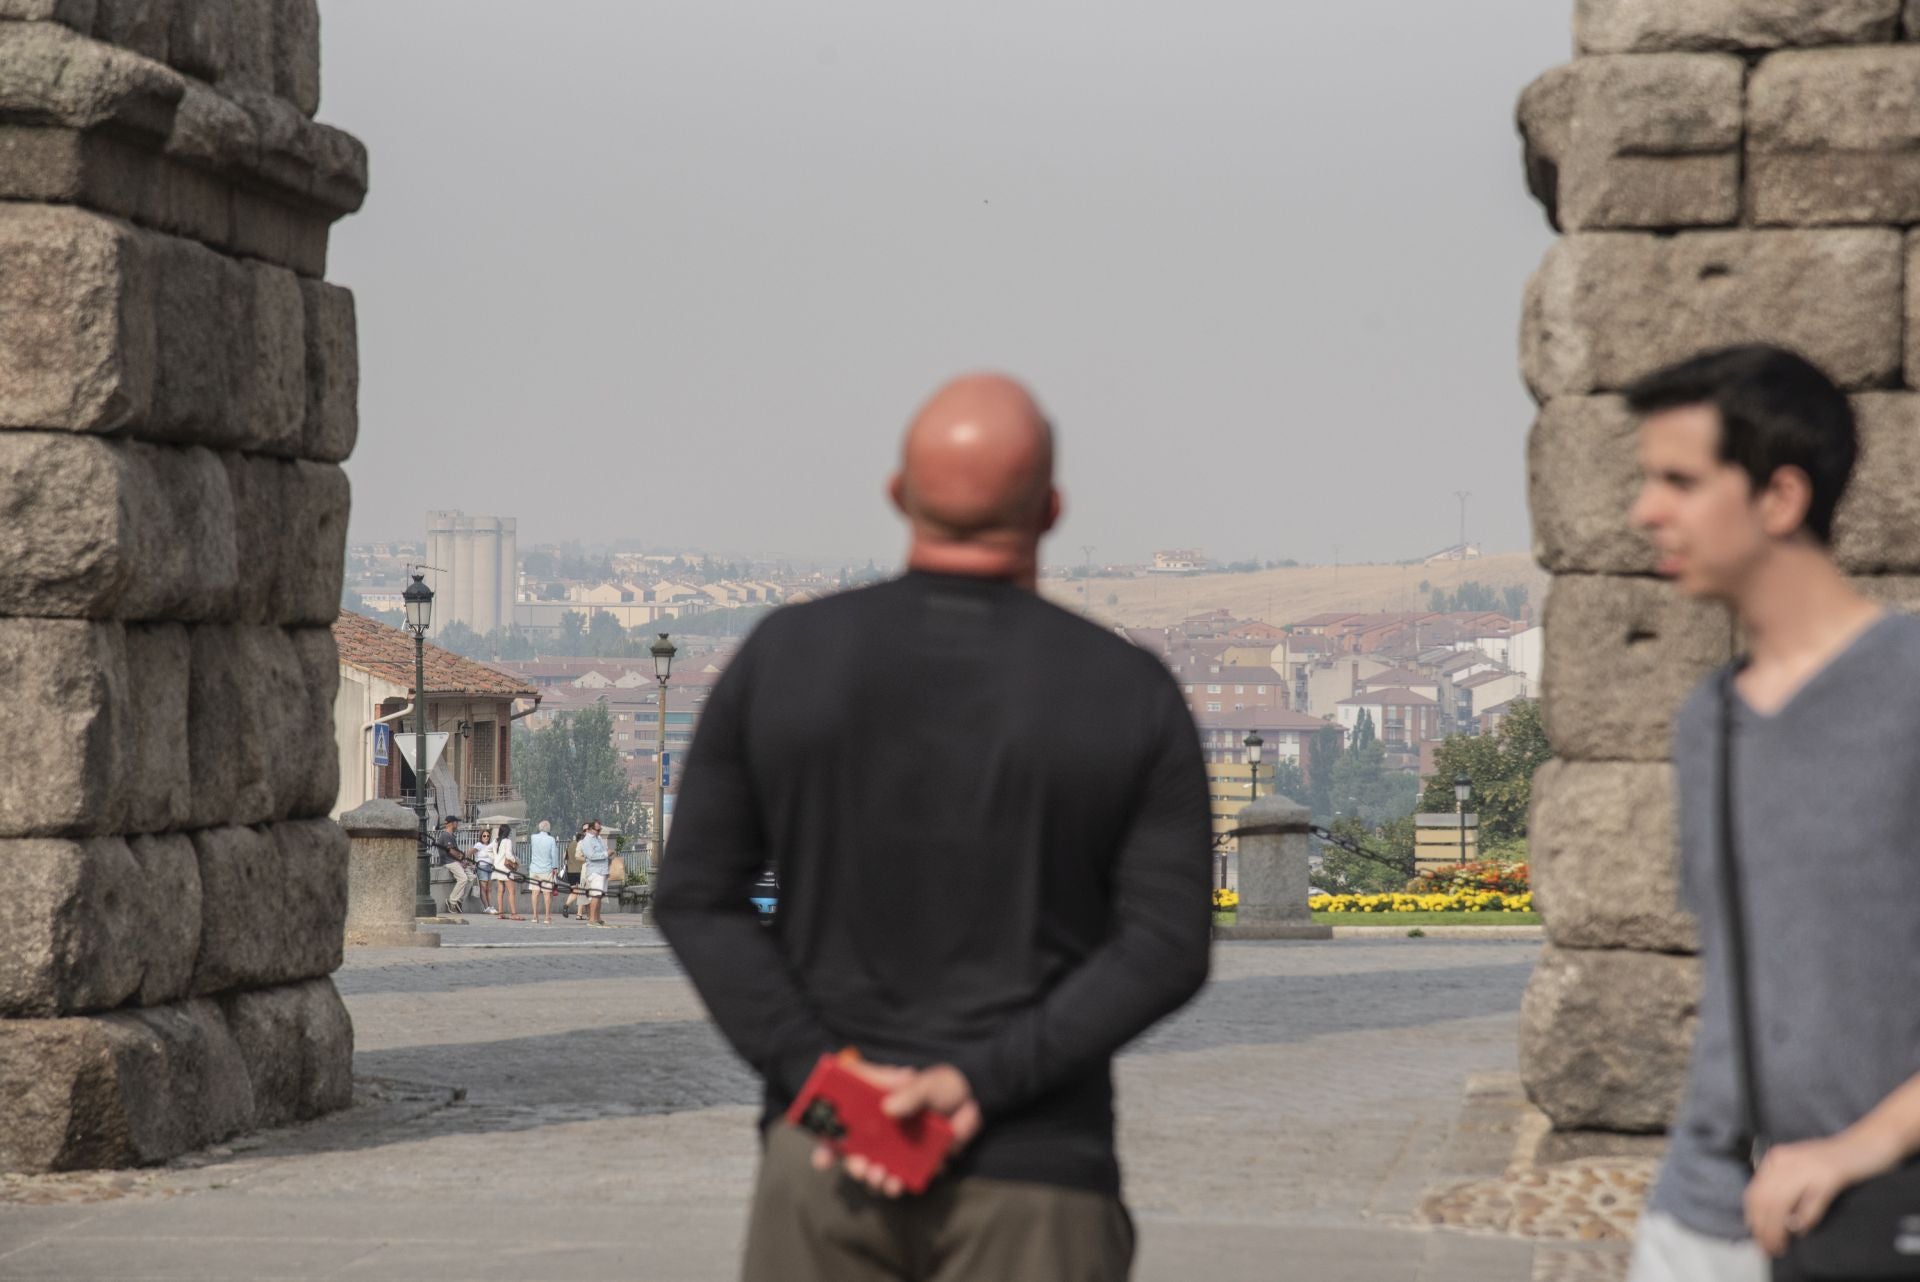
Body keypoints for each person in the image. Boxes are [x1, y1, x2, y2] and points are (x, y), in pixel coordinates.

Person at [655, 373, 1212, 1282]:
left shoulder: (786, 659)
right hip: (1038, 1170)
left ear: (897, 495)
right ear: (1052, 508)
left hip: (824, 1158)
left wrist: (829, 1086)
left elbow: (695, 900)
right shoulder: (1126, 690)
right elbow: (1166, 947)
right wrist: (980, 1081)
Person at [1623, 345, 1920, 1280]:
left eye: (1680, 481)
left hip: (1872, 1217)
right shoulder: (1709, 720)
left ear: (1781, 498)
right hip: (1700, 1220)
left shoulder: (1910, 691)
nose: (1645, 512)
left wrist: (1862, 1146)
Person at [432, 815, 474, 915]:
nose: (457, 824)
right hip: (449, 861)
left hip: (455, 861)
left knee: (472, 878)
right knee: (463, 878)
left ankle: (459, 900)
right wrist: (461, 860)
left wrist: (463, 861)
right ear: (451, 823)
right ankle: (452, 901)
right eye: (456, 822)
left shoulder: (451, 835)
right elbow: (451, 851)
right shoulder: (446, 835)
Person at [572, 821, 610, 927]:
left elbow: (604, 851)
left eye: (600, 829)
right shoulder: (586, 841)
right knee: (595, 895)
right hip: (595, 871)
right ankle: (592, 919)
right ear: (591, 829)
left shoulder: (599, 839)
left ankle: (597, 918)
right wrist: (606, 854)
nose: (599, 831)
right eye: (597, 830)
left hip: (602, 870)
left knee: (599, 896)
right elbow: (591, 856)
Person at [528, 820, 561, 923]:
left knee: (535, 893)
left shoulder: (533, 837)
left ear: (539, 827)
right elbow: (554, 855)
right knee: (547, 894)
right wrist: (555, 867)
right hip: (546, 869)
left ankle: (535, 916)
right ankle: (547, 917)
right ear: (548, 828)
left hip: (534, 869)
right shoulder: (551, 839)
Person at [493, 823, 523, 920]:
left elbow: (489, 851)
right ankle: (513, 914)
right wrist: (515, 861)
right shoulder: (507, 841)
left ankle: (500, 913)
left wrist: (495, 859)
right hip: (506, 869)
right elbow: (509, 855)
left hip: (497, 868)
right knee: (511, 891)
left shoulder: (496, 841)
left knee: (500, 891)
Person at [471, 826, 496, 914]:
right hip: (482, 867)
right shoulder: (479, 845)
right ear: (481, 837)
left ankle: (490, 906)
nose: (486, 837)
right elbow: (470, 852)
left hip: (490, 867)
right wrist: (470, 863)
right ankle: (486, 907)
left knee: (489, 889)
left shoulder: (491, 845)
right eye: (484, 836)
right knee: (483, 888)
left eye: (488, 836)